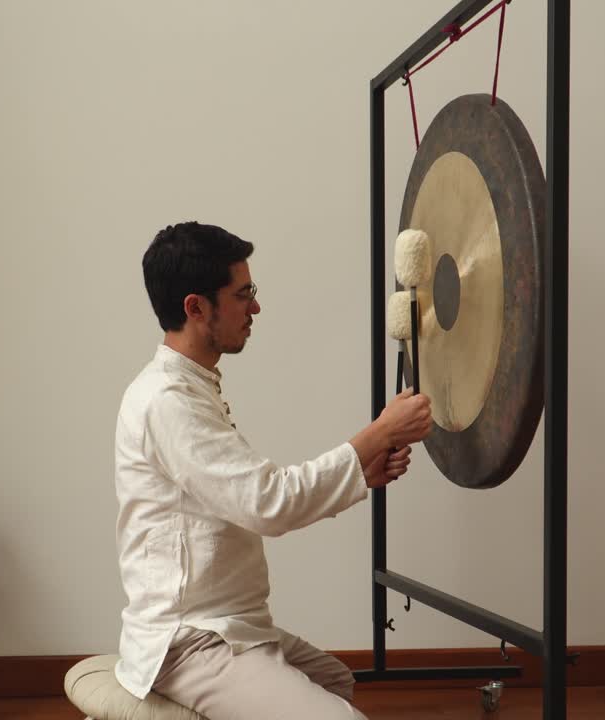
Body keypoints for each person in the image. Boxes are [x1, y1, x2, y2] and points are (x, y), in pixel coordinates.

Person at [113, 221, 433, 720]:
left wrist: (361, 474)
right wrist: (380, 432)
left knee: (334, 681)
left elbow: (250, 497)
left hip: (235, 623)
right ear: (196, 308)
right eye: (244, 295)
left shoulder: (193, 385)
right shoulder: (168, 402)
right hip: (190, 640)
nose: (256, 307)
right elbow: (269, 503)